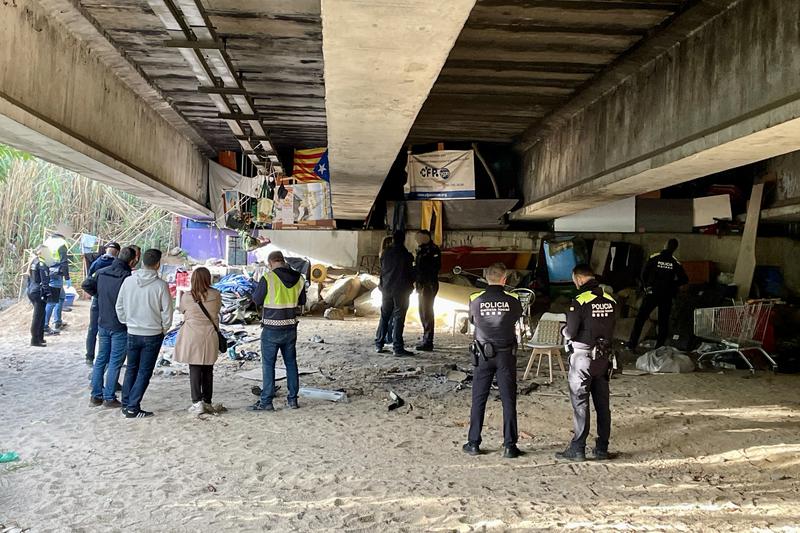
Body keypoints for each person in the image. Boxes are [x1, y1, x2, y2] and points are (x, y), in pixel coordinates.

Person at [556, 264, 618, 462]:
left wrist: (563, 330)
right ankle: (601, 449)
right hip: (604, 358)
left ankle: (578, 448)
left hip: (583, 359)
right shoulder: (610, 299)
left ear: (579, 278)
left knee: (580, 402)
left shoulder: (580, 300)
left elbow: (571, 332)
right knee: (602, 405)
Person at [463, 263, 524, 459]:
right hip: (506, 355)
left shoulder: (475, 299)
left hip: (483, 355)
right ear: (504, 280)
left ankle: (473, 443)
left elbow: (473, 321)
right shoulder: (513, 300)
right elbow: (516, 317)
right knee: (508, 400)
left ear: (486, 278)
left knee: (478, 399)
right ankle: (509, 446)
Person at [116, 249, 173, 418]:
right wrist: (163, 328)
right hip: (153, 333)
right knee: (144, 372)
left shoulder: (128, 282)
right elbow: (167, 312)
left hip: (132, 332)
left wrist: (127, 322)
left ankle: (126, 403)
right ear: (157, 264)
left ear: (141, 262)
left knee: (131, 369)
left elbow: (119, 306)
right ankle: (133, 407)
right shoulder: (161, 285)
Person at [249, 250, 307, 411]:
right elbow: (302, 301)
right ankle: (293, 400)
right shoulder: (300, 279)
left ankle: (267, 401)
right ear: (283, 261)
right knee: (291, 363)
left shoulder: (268, 278)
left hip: (271, 329)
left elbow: (257, 300)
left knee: (268, 365)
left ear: (271, 263)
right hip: (290, 327)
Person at [85, 246, 136, 408]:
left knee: (101, 359)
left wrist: (99, 295)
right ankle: (109, 397)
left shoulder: (102, 272)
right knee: (115, 361)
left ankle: (95, 396)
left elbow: (86, 284)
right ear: (132, 260)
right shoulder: (127, 277)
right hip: (119, 324)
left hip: (103, 321)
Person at [173, 267, 223, 415]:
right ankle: (207, 401)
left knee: (194, 369)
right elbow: (217, 310)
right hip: (209, 334)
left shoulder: (187, 297)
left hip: (192, 335)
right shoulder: (216, 294)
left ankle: (196, 402)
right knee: (208, 369)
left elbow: (182, 311)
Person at [628, 238, 688, 350]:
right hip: (666, 295)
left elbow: (643, 274)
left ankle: (632, 344)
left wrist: (646, 286)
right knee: (663, 322)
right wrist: (672, 285)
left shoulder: (654, 258)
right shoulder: (675, 262)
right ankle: (659, 347)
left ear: (665, 245)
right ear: (674, 249)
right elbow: (684, 279)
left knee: (640, 319)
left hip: (652, 293)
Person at [375, 230, 415, 356]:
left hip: (386, 289)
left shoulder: (385, 254)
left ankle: (379, 344)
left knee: (384, 316)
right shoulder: (406, 256)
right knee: (398, 318)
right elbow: (410, 274)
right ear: (404, 240)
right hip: (401, 291)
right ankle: (397, 347)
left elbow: (382, 272)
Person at [84, 242, 120, 366]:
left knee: (93, 328)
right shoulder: (117, 264)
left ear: (106, 250)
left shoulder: (96, 263)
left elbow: (87, 282)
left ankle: (89, 357)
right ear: (117, 252)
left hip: (97, 300)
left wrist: (95, 294)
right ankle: (107, 358)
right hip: (111, 302)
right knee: (110, 329)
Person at [414, 229, 441, 351]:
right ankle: (426, 337)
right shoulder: (421, 249)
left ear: (426, 237)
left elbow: (433, 268)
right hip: (422, 285)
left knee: (427, 312)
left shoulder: (433, 250)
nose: (417, 240)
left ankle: (428, 340)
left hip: (428, 284)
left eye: (419, 237)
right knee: (422, 312)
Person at [42, 225, 71, 335]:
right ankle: (44, 326)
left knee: (61, 297)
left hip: (46, 272)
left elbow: (44, 258)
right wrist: (67, 278)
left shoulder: (47, 241)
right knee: (52, 301)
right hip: (56, 274)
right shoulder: (62, 244)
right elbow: (64, 262)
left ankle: (57, 321)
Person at [27, 245, 51, 347]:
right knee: (37, 316)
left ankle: (40, 337)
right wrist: (48, 293)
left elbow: (29, 278)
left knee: (41, 314)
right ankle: (35, 340)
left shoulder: (33, 261)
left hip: (32, 290)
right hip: (38, 292)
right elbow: (44, 281)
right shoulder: (42, 264)